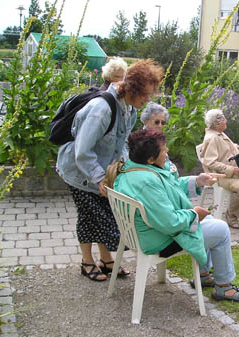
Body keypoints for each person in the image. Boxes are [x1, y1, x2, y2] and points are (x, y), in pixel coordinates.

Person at [114, 129, 239, 303]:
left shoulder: (135, 169)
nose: (167, 152)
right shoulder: (148, 181)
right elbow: (170, 223)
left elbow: (168, 187)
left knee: (209, 221)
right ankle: (224, 287)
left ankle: (202, 275)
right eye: (164, 149)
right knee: (221, 229)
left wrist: (197, 181)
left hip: (144, 233)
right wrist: (193, 213)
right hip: (159, 240)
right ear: (150, 158)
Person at [56, 59, 164, 281]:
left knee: (98, 212)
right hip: (79, 171)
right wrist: (99, 178)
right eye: (145, 94)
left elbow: (122, 143)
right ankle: (87, 262)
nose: (148, 100)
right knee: (90, 215)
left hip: (102, 171)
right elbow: (82, 151)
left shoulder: (130, 108)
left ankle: (105, 259)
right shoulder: (101, 110)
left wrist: (126, 168)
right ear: (131, 89)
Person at [201, 109, 239, 231]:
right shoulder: (212, 138)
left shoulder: (221, 134)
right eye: (224, 119)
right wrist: (232, 170)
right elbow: (210, 162)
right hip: (223, 176)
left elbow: (233, 155)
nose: (226, 121)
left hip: (237, 171)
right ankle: (231, 215)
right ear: (216, 123)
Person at [140, 102, 178, 176]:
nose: (160, 125)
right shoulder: (142, 140)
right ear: (146, 122)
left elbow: (166, 159)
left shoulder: (158, 137)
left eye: (163, 122)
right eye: (157, 122)